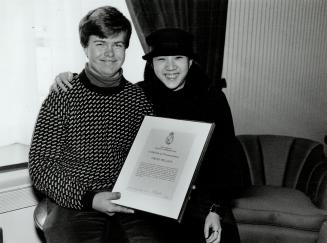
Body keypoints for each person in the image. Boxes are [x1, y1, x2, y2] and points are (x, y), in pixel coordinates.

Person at [51, 28, 244, 243]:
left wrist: (215, 210)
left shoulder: (213, 98)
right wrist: (68, 80)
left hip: (205, 201)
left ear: (190, 62)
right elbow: (101, 96)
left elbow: (227, 162)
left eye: (178, 58)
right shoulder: (138, 95)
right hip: (155, 202)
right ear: (152, 64)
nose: (170, 67)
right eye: (161, 59)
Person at [28, 6, 176, 243]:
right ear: (85, 47)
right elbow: (41, 166)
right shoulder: (62, 95)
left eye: (117, 44)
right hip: (75, 203)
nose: (109, 52)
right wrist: (90, 199)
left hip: (129, 202)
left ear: (126, 48)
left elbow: (150, 158)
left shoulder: (138, 99)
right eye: (100, 43)